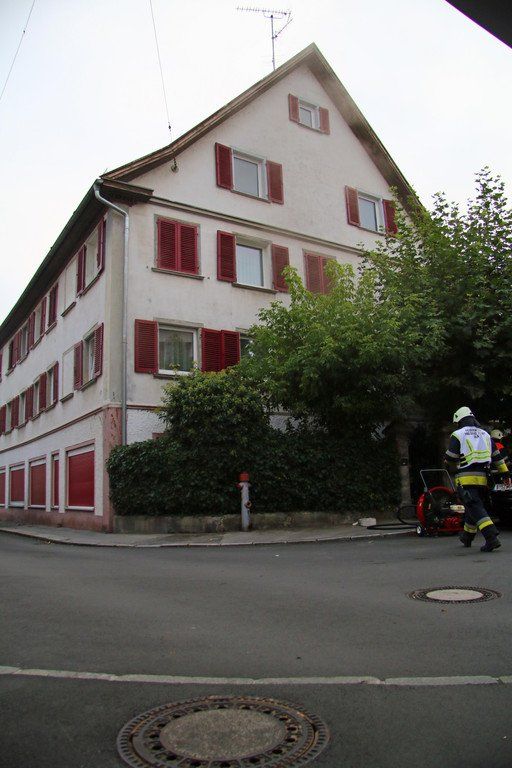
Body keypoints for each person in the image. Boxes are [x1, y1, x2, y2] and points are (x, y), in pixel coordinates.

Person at [445, 406, 510, 552]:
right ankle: (467, 537)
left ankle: (491, 537)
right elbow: (497, 458)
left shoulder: (458, 434)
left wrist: (447, 463)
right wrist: (505, 474)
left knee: (474, 506)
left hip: (466, 479)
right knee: (473, 507)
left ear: (459, 420)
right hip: (484, 480)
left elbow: (451, 457)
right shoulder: (485, 434)